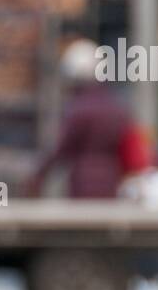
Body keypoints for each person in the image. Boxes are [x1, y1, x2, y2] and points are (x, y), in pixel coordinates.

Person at [29, 38, 133, 199]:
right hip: (112, 183)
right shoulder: (117, 106)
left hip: (83, 186)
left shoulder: (78, 110)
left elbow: (60, 148)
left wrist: (39, 174)